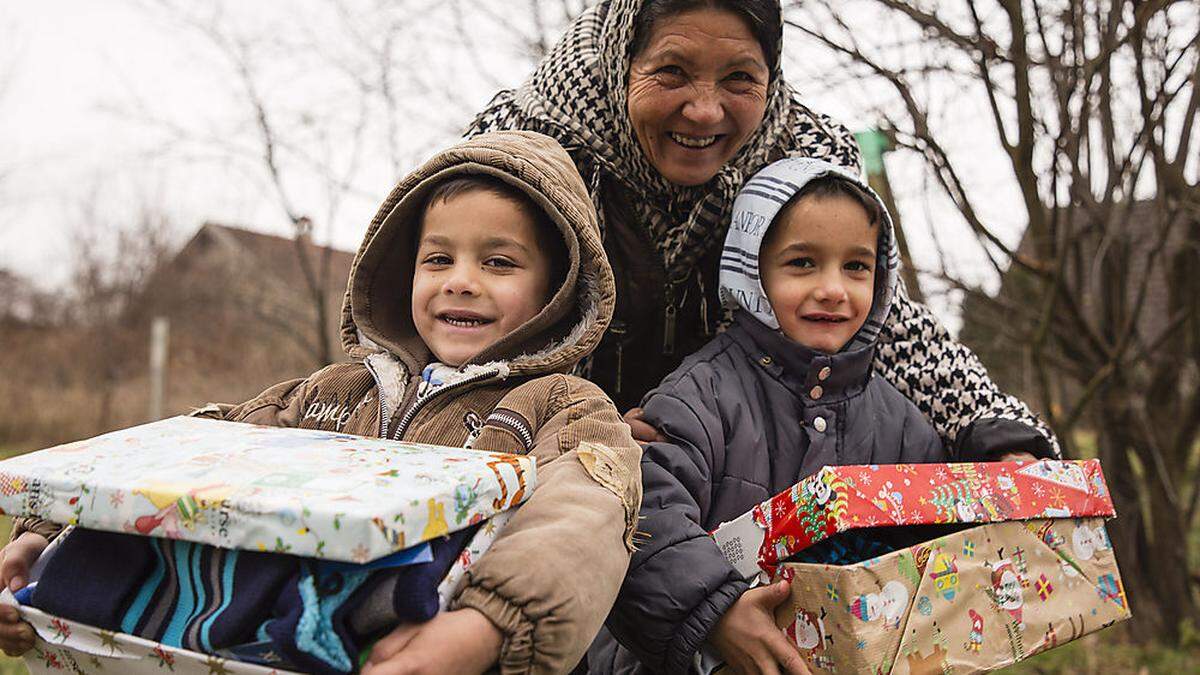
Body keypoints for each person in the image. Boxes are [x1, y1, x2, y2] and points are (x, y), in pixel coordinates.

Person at [0, 130, 643, 675]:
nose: (461, 281)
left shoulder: (564, 408)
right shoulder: (330, 392)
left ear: (558, 291)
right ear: (403, 273)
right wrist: (45, 535)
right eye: (438, 258)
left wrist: (485, 628)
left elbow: (580, 520)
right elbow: (195, 457)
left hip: (425, 641)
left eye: (499, 262)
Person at [466, 0, 1059, 459]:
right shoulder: (521, 147)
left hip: (732, 478)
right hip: (539, 464)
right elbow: (446, 320)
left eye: (739, 79)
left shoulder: (803, 159)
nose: (704, 110)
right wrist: (577, 433)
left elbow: (883, 324)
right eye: (672, 72)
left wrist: (990, 430)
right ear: (622, 61)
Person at [586, 158, 1047, 674]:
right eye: (802, 263)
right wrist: (714, 612)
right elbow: (644, 512)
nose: (833, 289)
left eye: (856, 267)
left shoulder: (902, 422)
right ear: (751, 271)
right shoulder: (701, 394)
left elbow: (933, 555)